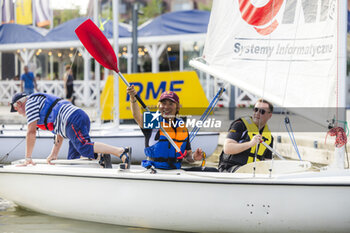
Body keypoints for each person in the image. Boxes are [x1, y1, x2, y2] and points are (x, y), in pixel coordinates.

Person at [10, 92, 131, 168]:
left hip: (72, 119)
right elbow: (59, 133)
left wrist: (28, 159)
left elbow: (31, 132)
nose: (18, 113)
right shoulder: (37, 103)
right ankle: (101, 159)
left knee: (84, 146)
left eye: (16, 109)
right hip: (76, 117)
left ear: (19, 104)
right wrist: (54, 154)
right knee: (73, 160)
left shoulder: (29, 104)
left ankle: (119, 151)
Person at [127, 86, 204, 170]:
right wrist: (132, 97)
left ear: (177, 107)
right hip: (154, 170)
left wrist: (194, 157)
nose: (166, 107)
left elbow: (187, 156)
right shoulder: (153, 121)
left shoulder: (182, 128)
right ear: (159, 106)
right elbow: (137, 116)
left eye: (171, 104)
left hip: (175, 171)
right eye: (163, 103)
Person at [218, 99, 274, 173]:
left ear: (269, 115)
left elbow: (268, 162)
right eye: (255, 109)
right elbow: (227, 148)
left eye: (262, 111)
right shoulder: (240, 125)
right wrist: (250, 143)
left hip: (252, 172)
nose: (257, 113)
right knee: (246, 172)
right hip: (229, 168)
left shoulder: (269, 137)